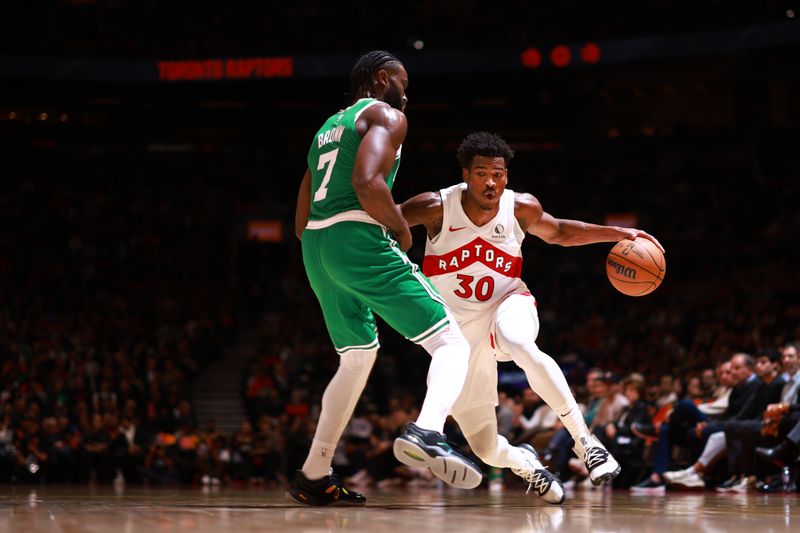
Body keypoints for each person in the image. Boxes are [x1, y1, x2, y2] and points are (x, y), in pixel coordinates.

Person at [400, 131, 664, 502]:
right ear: (465, 174)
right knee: (486, 447)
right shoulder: (435, 206)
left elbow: (559, 232)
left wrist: (619, 233)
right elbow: (385, 225)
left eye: (498, 173)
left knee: (518, 341)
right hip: (458, 334)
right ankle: (527, 464)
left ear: (506, 175)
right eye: (481, 173)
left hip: (508, 301)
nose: (491, 181)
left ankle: (586, 442)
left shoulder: (519, 207)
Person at [289, 51, 478, 506]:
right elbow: (368, 180)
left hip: (315, 245)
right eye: (403, 79)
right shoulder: (386, 114)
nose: (407, 91)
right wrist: (396, 227)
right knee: (451, 341)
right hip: (356, 237)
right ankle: (428, 430)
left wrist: (332, 244)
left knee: (356, 356)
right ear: (381, 78)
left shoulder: (325, 129)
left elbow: (299, 220)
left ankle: (314, 474)